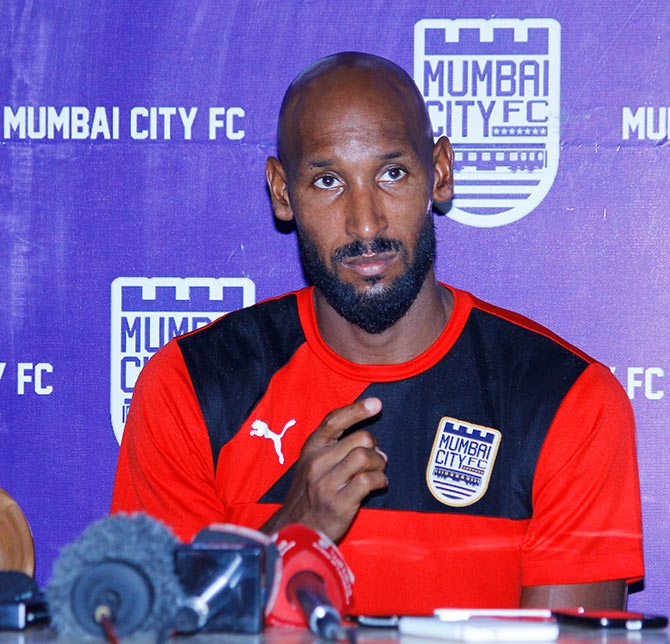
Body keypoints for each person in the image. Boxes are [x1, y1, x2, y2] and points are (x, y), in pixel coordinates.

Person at [111, 52, 644, 614]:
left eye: (392, 174)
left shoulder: (568, 403)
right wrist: (293, 529)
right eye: (327, 181)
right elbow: (155, 626)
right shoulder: (190, 387)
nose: (366, 224)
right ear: (282, 192)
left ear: (439, 172)